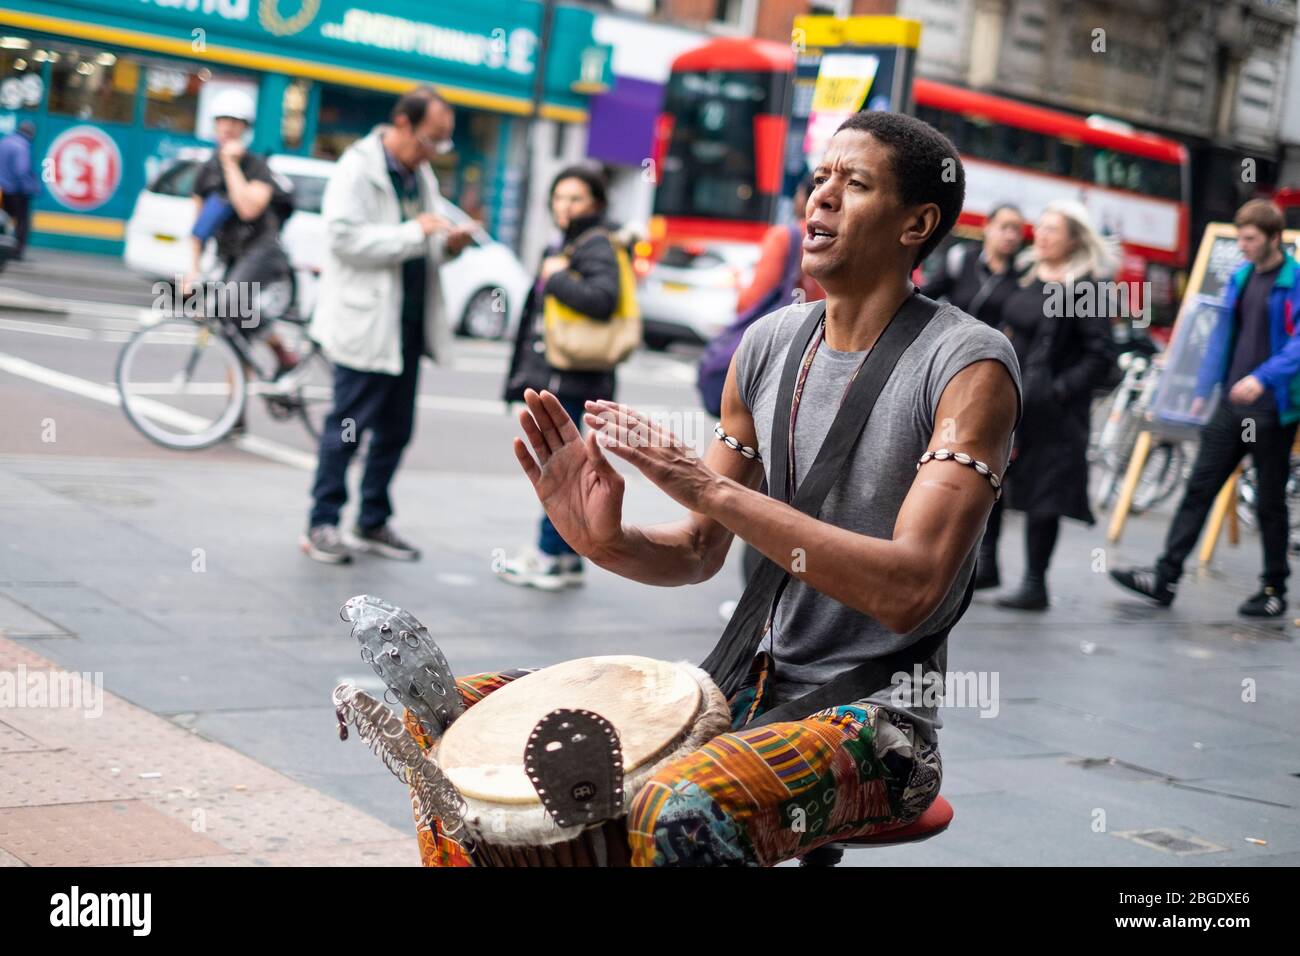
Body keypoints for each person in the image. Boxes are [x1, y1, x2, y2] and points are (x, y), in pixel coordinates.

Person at [419, 111, 1021, 867]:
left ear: (917, 223)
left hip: (880, 724)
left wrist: (706, 486)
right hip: (742, 682)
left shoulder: (969, 366)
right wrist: (605, 540)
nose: (822, 199)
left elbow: (911, 589)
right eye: (820, 179)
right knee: (457, 725)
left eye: (855, 184)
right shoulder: (768, 344)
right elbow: (699, 552)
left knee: (678, 807)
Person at [302, 86, 475, 565]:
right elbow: (342, 241)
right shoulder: (357, 168)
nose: (435, 151)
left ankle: (372, 519)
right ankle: (322, 522)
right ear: (402, 123)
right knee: (349, 428)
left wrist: (450, 243)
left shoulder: (419, 175)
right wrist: (413, 233)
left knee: (396, 430)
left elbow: (426, 239)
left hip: (407, 325)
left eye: (442, 143)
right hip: (366, 322)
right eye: (430, 139)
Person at [1110, 199, 1300, 618]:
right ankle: (1165, 577)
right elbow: (1222, 336)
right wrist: (1204, 385)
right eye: (1240, 238)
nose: (1243, 246)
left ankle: (1273, 590)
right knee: (1199, 487)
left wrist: (1262, 378)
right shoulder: (1242, 277)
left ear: (1273, 238)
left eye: (1250, 239)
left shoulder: (1295, 280)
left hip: (1273, 410)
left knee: (1269, 501)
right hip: (1231, 405)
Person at [497, 165, 629, 590]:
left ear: (596, 204)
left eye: (575, 199)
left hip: (576, 378)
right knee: (573, 465)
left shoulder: (593, 246)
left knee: (562, 466)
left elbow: (603, 299)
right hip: (568, 376)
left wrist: (556, 277)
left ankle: (550, 555)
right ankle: (568, 558)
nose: (565, 207)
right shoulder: (569, 244)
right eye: (559, 198)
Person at [992, 199, 1115, 610]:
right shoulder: (1028, 275)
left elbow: (1100, 357)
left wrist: (1060, 390)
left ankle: (1034, 583)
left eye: (1052, 230)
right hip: (1015, 402)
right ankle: (986, 564)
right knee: (996, 481)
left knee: (1047, 494)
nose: (1040, 236)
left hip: (1056, 413)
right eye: (1039, 228)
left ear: (1074, 239)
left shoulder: (1086, 286)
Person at [922, 202, 1026, 589]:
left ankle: (984, 560)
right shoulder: (961, 262)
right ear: (988, 228)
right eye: (1005, 226)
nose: (1011, 235)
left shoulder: (1022, 279)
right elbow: (927, 296)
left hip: (991, 378)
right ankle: (932, 546)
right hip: (948, 370)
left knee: (984, 470)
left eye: (1017, 229)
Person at [188, 89, 301, 406]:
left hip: (263, 251)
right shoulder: (205, 171)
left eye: (235, 122)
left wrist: (232, 166)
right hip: (231, 256)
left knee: (229, 302)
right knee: (233, 328)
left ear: (245, 127)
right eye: (222, 120)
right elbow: (197, 229)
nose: (227, 127)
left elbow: (249, 208)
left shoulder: (255, 165)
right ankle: (236, 412)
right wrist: (193, 269)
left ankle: (280, 351)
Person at [0, 120, 39, 260]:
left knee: (3, 218)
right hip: (17, 191)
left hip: (3, 189)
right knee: (23, 222)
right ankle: (16, 252)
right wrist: (31, 188)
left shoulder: (5, 141)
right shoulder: (22, 146)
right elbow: (21, 170)